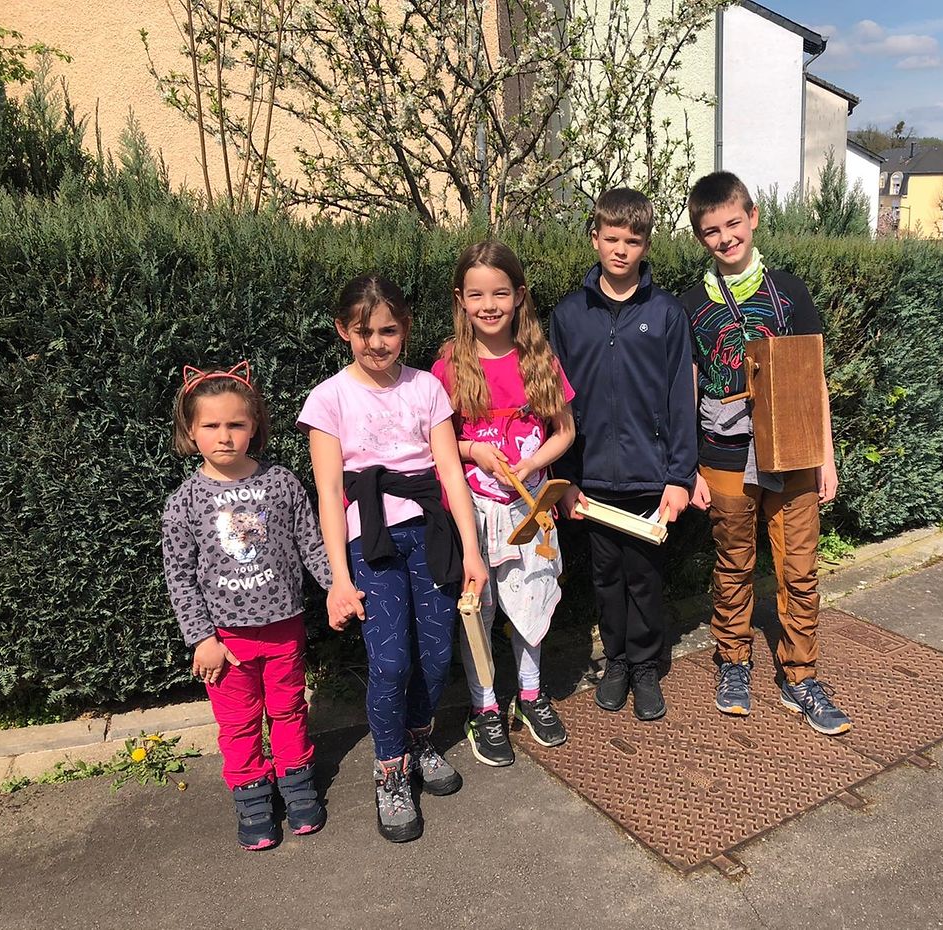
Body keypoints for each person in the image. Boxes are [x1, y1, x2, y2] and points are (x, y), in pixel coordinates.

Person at [298, 274, 487, 844]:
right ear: (343, 331)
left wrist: (472, 551)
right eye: (364, 333)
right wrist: (337, 578)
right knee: (389, 662)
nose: (377, 343)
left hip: (430, 535)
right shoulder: (328, 399)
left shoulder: (426, 388)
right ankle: (390, 769)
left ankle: (419, 738)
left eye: (388, 331)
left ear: (405, 329)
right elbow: (330, 494)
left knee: (436, 655)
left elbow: (450, 471)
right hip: (371, 543)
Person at [680, 170, 851, 736]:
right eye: (712, 231)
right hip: (723, 455)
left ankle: (801, 676)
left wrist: (825, 456)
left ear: (752, 217)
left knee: (799, 571)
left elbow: (812, 377)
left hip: (794, 452)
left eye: (733, 223)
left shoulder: (789, 292)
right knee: (733, 565)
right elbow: (688, 390)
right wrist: (688, 467)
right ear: (699, 236)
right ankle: (733, 662)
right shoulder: (690, 305)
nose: (726, 237)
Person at [162, 361, 330, 851]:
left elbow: (311, 545)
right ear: (190, 431)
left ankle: (297, 783)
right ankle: (253, 798)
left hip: (284, 629)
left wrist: (338, 587)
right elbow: (179, 577)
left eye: (236, 423)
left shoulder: (281, 482)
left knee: (289, 710)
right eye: (211, 425)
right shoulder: (184, 502)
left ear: (254, 425)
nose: (224, 436)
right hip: (226, 643)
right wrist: (201, 638)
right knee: (238, 725)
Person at [549, 188, 696, 721]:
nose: (620, 250)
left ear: (646, 245)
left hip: (649, 478)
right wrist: (564, 478)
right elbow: (556, 406)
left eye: (632, 241)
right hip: (590, 480)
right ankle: (616, 662)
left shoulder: (666, 313)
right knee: (606, 577)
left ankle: (645, 666)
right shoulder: (569, 315)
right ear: (595, 238)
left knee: (645, 577)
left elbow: (681, 398)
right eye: (611, 238)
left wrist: (680, 476)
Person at [431, 240, 576, 766]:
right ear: (461, 299)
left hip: (528, 510)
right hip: (473, 511)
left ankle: (531, 695)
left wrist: (534, 463)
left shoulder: (540, 360)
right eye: (477, 295)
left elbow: (565, 431)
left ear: (519, 295)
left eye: (499, 293)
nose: (489, 305)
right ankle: (485, 706)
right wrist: (474, 451)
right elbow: (437, 442)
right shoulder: (449, 365)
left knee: (531, 599)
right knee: (481, 609)